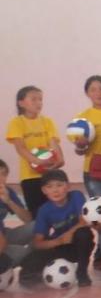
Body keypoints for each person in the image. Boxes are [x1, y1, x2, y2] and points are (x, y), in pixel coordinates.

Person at [19, 170, 93, 287]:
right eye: (50, 187)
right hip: (61, 246)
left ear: (67, 186)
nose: (55, 190)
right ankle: (40, 274)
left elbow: (84, 221)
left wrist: (69, 234)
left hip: (79, 245)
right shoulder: (44, 210)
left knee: (83, 233)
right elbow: (38, 242)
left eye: (59, 185)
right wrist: (59, 241)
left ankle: (82, 273)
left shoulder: (76, 196)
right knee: (28, 262)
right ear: (44, 190)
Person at [6, 85, 63, 215]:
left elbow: (53, 143)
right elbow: (20, 148)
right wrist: (37, 162)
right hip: (29, 176)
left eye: (40, 99)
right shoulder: (16, 122)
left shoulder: (47, 121)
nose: (38, 103)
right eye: (33, 99)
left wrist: (59, 159)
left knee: (55, 211)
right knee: (37, 213)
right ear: (21, 103)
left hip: (49, 174)